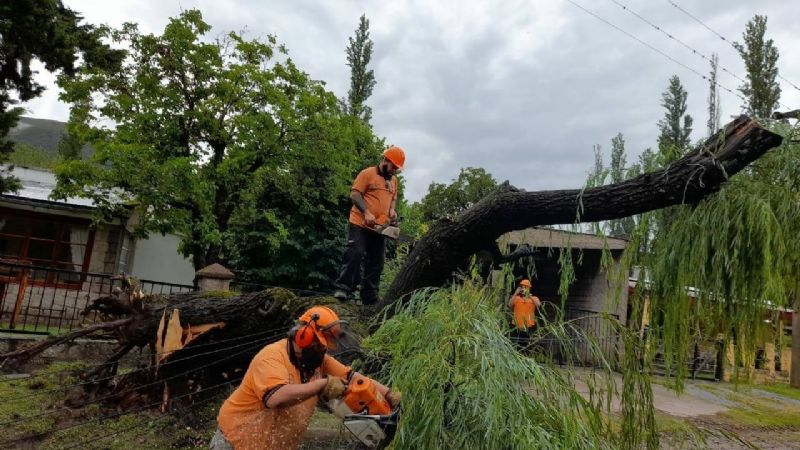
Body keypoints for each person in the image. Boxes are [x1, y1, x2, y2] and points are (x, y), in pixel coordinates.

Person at [212, 306, 398, 450]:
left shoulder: (319, 360)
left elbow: (354, 378)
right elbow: (276, 398)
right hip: (234, 442)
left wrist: (388, 395)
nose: (323, 351)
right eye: (320, 346)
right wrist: (321, 384)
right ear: (303, 336)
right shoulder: (271, 357)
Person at [333, 146, 405, 305]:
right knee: (355, 253)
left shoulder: (393, 181)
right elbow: (354, 194)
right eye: (393, 166)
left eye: (397, 168)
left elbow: (392, 200)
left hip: (379, 228)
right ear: (385, 160)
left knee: (377, 261)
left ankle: (369, 295)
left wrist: (392, 211)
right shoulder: (367, 174)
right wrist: (366, 212)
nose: (394, 170)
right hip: (359, 223)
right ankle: (342, 288)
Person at [507, 279, 541, 348]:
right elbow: (509, 305)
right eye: (522, 287)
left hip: (528, 325)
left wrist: (529, 295)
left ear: (529, 288)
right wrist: (516, 293)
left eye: (525, 287)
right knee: (514, 344)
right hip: (516, 325)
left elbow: (538, 305)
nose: (523, 289)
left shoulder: (534, 298)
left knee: (527, 345)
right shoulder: (516, 298)